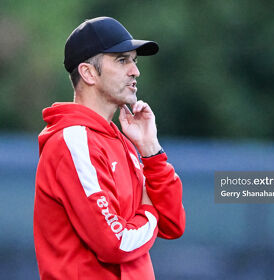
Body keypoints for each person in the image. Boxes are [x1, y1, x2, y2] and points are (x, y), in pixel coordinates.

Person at [33, 16, 186, 280]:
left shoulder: (121, 141)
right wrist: (150, 214)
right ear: (88, 73)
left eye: (134, 61)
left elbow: (173, 223)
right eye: (122, 60)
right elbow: (116, 243)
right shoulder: (72, 143)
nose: (135, 71)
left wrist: (151, 151)